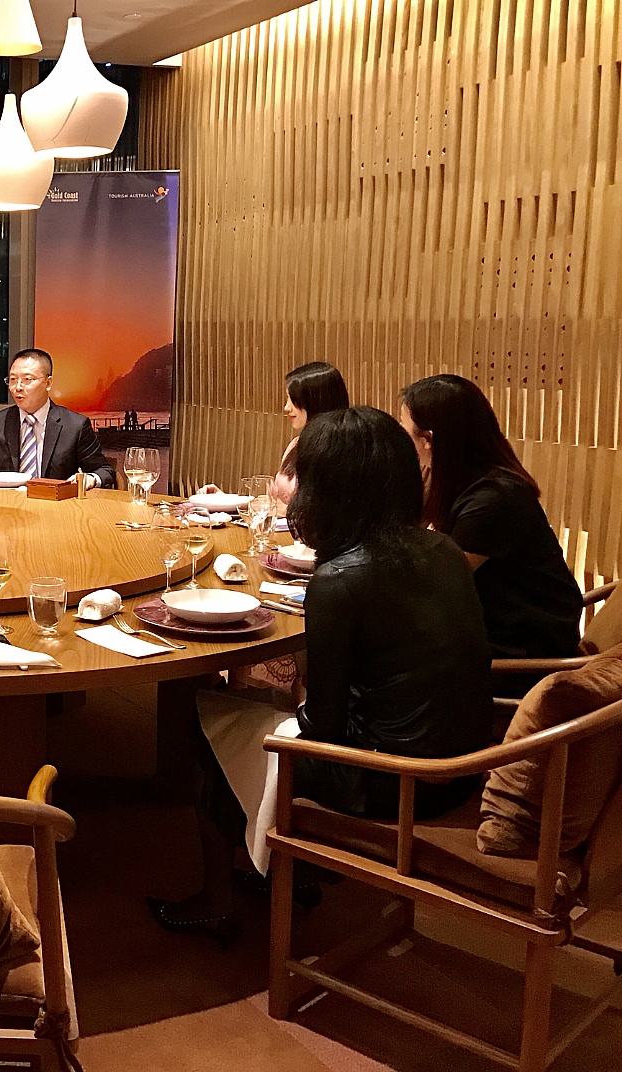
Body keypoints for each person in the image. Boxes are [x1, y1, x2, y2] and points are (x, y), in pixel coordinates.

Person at [147, 407, 492, 941]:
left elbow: (323, 727)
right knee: (260, 710)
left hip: (391, 782)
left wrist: (285, 700)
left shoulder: (340, 578)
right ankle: (290, 872)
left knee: (209, 722)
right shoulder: (441, 548)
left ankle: (221, 899)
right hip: (462, 768)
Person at [400, 374, 582, 687]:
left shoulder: (494, 498)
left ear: (428, 439)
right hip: (492, 629)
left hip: (525, 653)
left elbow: (436, 583)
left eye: (404, 430)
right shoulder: (460, 482)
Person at [0, 349, 115, 488]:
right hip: (6, 509)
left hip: (55, 509)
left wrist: (90, 478)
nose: (18, 387)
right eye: (12, 380)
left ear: (48, 383)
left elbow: (104, 470)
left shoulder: (74, 425)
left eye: (27, 380)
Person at [268, 361, 349, 505]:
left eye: (293, 400)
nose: (286, 407)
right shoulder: (296, 444)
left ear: (316, 402)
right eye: (288, 399)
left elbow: (329, 509)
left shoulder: (338, 453)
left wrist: (286, 511)